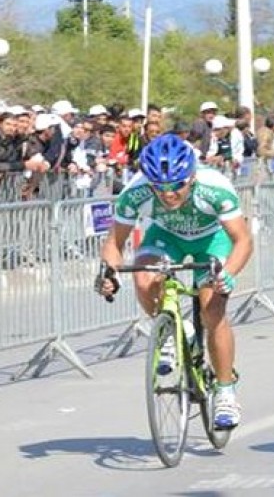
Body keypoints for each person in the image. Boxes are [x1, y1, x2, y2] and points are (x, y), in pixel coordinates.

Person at [94, 134, 252, 429]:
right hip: (167, 237)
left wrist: (227, 273)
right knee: (143, 276)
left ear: (191, 176)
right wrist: (110, 274)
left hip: (211, 239)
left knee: (212, 309)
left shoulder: (215, 187)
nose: (168, 195)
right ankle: (176, 330)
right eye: (160, 188)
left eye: (177, 186)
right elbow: (114, 243)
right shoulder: (135, 191)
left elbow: (242, 240)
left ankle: (226, 390)